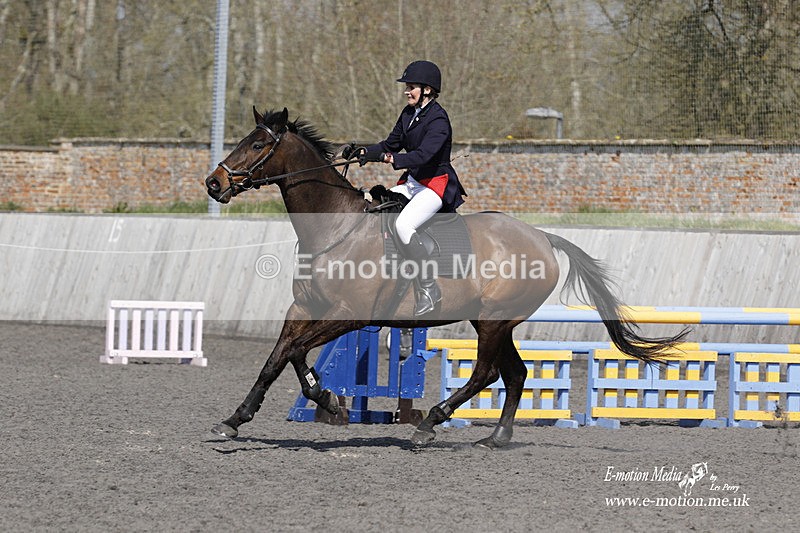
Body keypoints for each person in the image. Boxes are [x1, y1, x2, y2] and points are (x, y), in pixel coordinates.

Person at [355, 60, 467, 316]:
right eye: (407, 86)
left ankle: (429, 288)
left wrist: (393, 160)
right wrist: (365, 151)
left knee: (403, 225)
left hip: (435, 185)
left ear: (427, 90)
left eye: (411, 87)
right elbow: (390, 143)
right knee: (378, 209)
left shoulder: (439, 119)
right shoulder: (408, 114)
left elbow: (425, 155)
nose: (407, 91)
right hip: (414, 182)